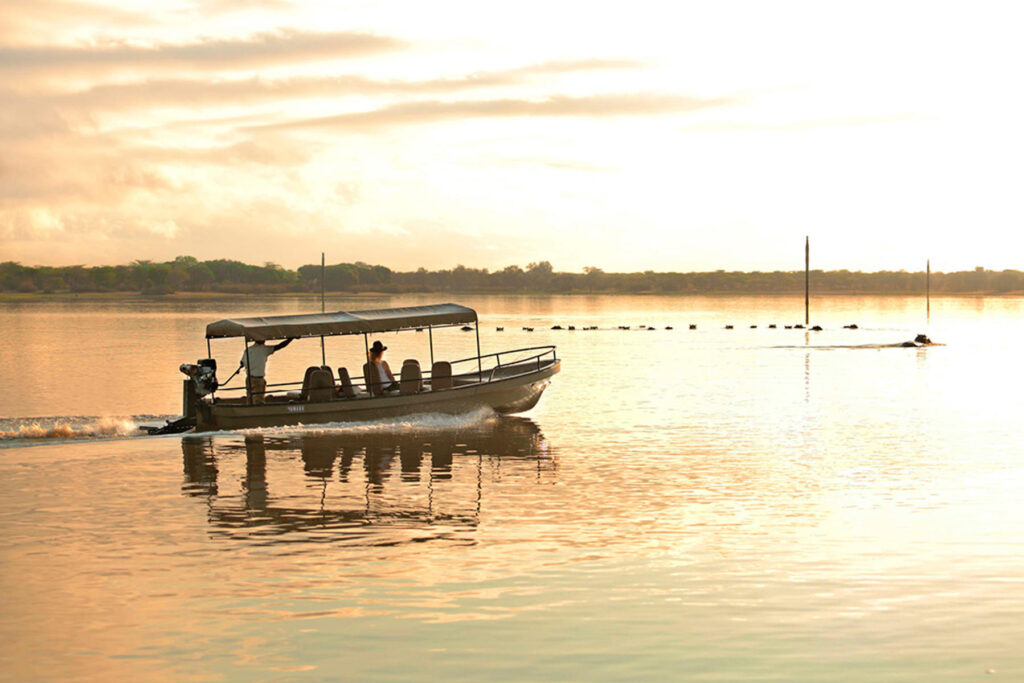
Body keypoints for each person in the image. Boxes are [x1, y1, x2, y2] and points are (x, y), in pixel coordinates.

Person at [240, 338, 293, 404]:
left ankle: (249, 411)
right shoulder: (264, 349)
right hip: (258, 380)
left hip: (249, 379)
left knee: (250, 399)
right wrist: (291, 339)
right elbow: (279, 346)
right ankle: (259, 412)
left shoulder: (248, 349)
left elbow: (242, 362)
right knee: (258, 401)